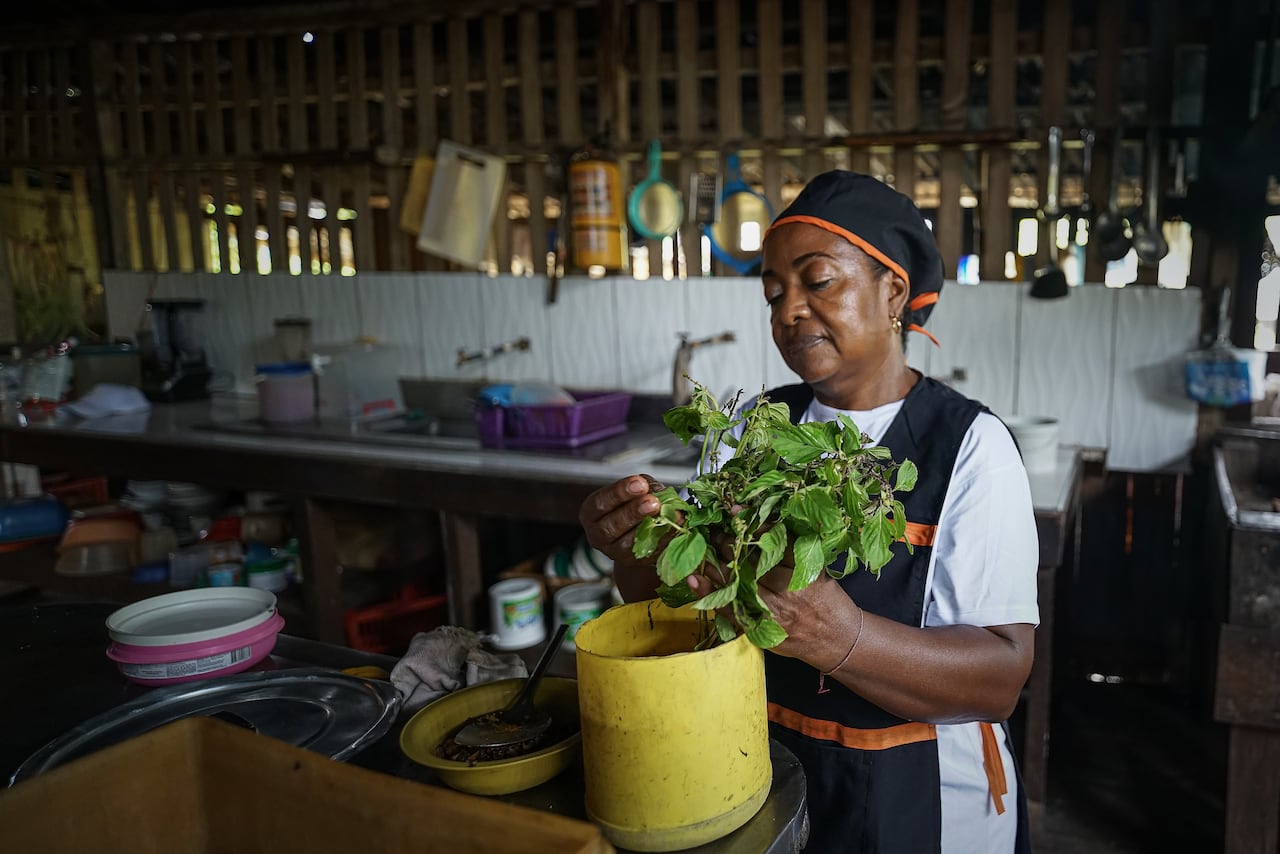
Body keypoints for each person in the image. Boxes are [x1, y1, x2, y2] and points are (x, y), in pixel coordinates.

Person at [579, 170, 1039, 853]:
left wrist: (841, 636)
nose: (788, 310)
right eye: (773, 293)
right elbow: (689, 606)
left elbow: (1001, 678)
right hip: (759, 770)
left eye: (816, 281)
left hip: (917, 799)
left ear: (893, 292)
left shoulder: (970, 446)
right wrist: (634, 555)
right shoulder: (752, 429)